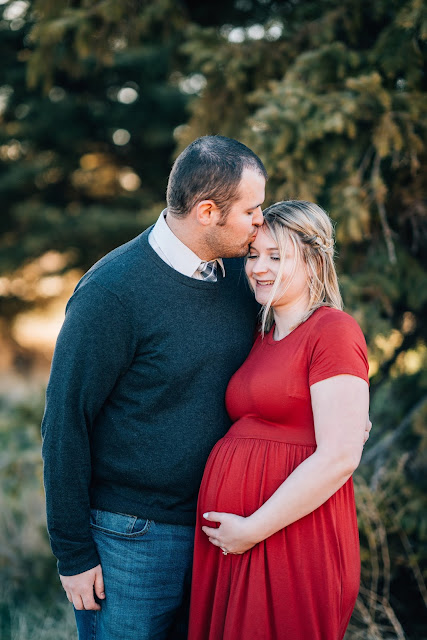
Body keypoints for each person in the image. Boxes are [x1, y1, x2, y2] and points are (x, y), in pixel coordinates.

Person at [41, 135, 268, 640]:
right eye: (252, 209)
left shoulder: (243, 276)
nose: (261, 220)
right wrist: (73, 553)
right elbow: (64, 423)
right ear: (207, 212)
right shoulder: (111, 293)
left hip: (219, 530)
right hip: (129, 537)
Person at [188, 200, 370, 640]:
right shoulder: (259, 335)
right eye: (254, 255)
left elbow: (340, 456)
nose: (258, 268)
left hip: (292, 537)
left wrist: (253, 529)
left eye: (277, 256)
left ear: (314, 261)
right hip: (237, 540)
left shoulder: (333, 331)